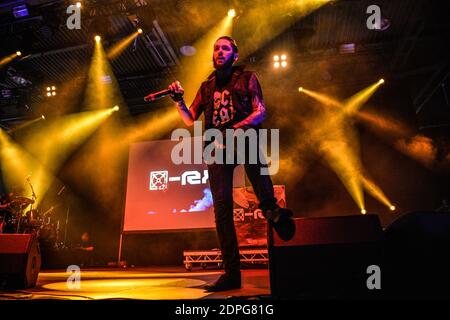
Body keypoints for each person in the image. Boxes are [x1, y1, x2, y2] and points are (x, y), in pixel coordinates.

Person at [168, 36, 293, 292]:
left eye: (225, 48)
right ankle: (232, 273)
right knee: (222, 212)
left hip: (243, 137)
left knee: (256, 168)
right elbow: (190, 118)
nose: (219, 52)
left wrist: (234, 129)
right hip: (216, 148)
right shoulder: (206, 86)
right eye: (216, 48)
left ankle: (271, 209)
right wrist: (178, 101)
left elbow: (260, 111)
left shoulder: (247, 77)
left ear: (234, 55)